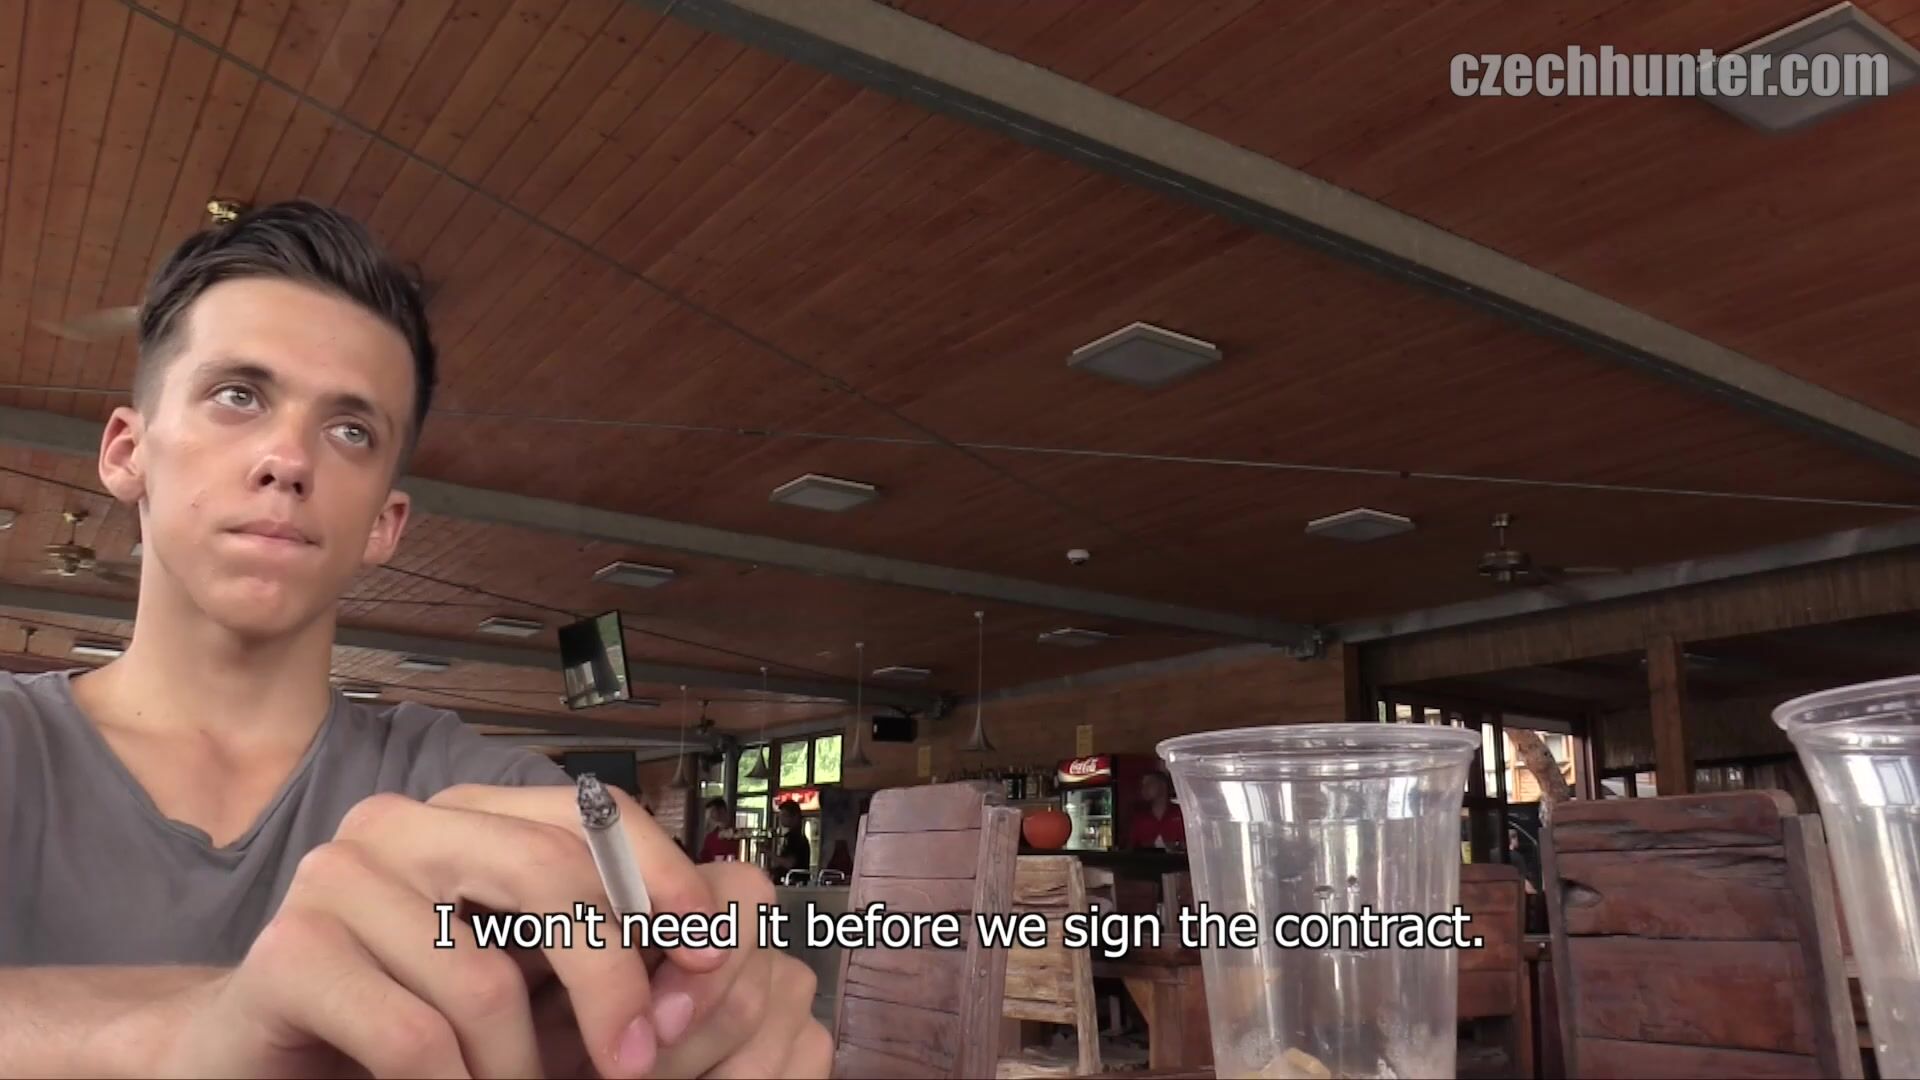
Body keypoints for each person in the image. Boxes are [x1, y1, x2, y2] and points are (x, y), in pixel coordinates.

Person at [0, 202, 831, 1078]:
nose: (290, 459)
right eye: (237, 395)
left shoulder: (471, 789)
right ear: (126, 450)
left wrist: (704, 999)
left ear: (384, 524)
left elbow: (654, 949)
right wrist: (215, 1024)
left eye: (350, 431)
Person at [1129, 770, 1187, 850]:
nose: (1144, 789)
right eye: (1143, 785)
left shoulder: (1181, 814)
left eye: (1150, 783)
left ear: (1163, 785)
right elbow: (1131, 849)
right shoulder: (1139, 818)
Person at [770, 800, 811, 879]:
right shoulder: (792, 836)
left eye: (784, 815)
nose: (781, 819)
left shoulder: (796, 838)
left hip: (794, 881)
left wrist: (767, 852)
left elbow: (789, 863)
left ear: (795, 817)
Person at [695, 797, 738, 864]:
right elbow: (703, 861)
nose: (709, 819)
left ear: (723, 811)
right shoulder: (710, 838)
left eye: (712, 813)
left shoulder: (737, 837)